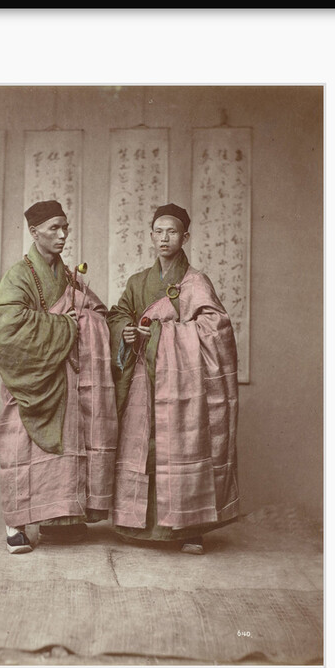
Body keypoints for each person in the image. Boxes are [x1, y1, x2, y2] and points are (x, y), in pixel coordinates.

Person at [106, 203, 239, 555]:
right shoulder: (138, 282)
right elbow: (118, 315)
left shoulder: (196, 282)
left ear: (185, 237)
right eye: (159, 232)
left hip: (180, 382)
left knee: (181, 447)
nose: (165, 238)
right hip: (142, 378)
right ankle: (137, 524)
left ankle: (190, 528)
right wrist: (126, 332)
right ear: (151, 236)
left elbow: (215, 328)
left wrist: (162, 335)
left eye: (172, 232)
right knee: (142, 447)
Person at [0, 200, 117, 554]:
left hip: (67, 379)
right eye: (53, 229)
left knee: (65, 451)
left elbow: (97, 312)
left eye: (65, 228)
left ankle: (58, 521)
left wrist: (88, 322)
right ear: (34, 232)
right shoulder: (19, 275)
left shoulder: (70, 277)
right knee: (20, 445)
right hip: (33, 379)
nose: (62, 235)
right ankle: (15, 525)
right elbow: (5, 327)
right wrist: (62, 325)